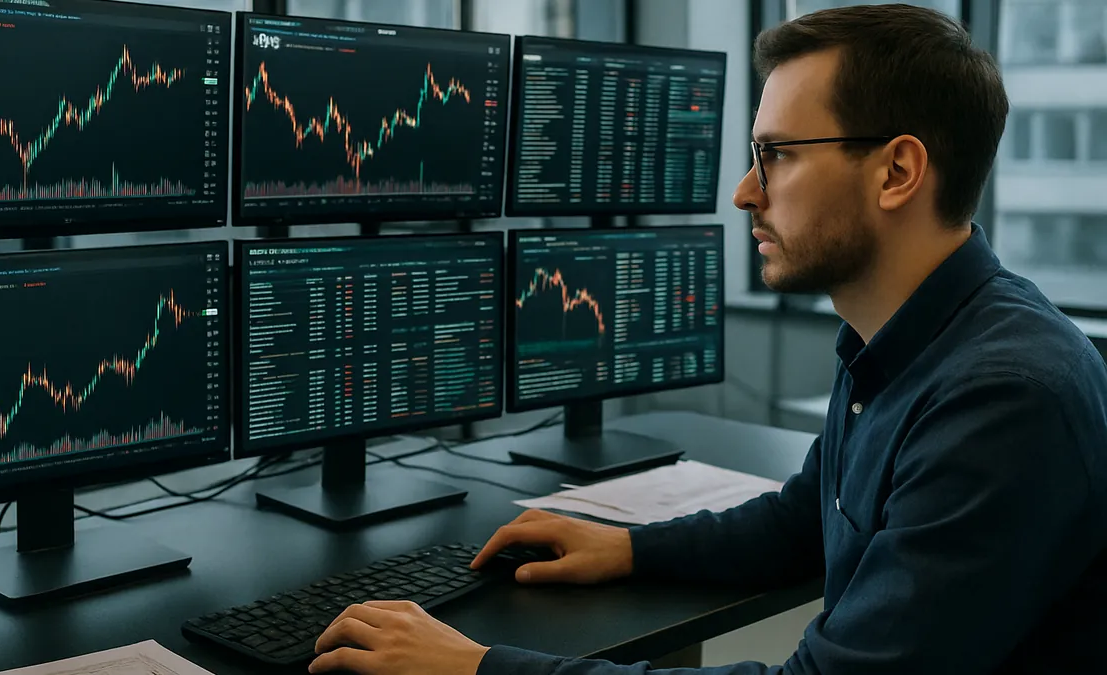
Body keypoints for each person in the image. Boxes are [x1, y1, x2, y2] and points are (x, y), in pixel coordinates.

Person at [307, 4, 1107, 674]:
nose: (743, 191)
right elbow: (805, 516)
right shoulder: (904, 339)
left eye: (776, 156)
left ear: (896, 172)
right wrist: (631, 549)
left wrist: (478, 667)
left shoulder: (1002, 398)